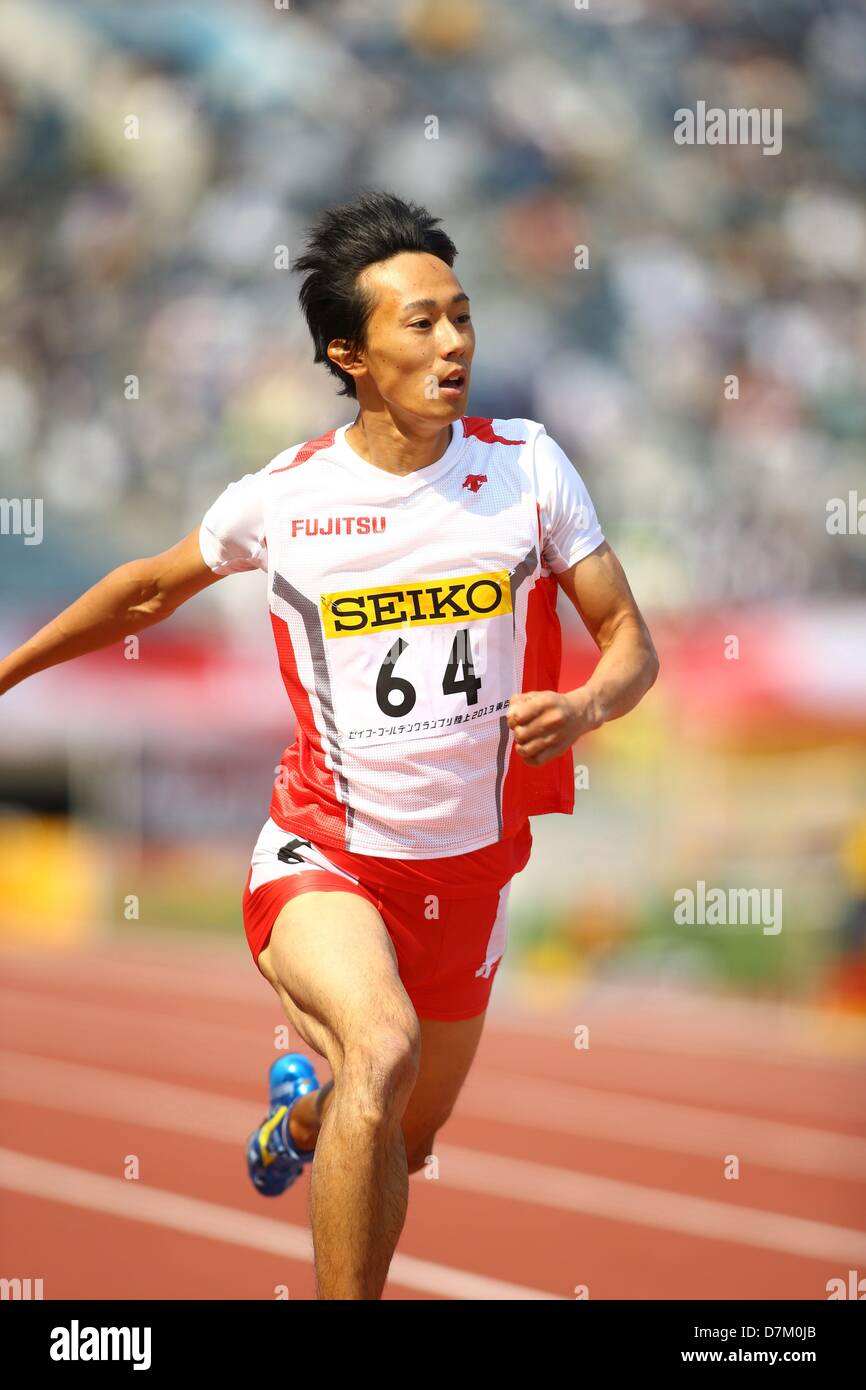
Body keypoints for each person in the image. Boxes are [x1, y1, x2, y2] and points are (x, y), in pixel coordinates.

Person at [0, 188, 659, 1300]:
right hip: (326, 858)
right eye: (421, 323)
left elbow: (629, 641)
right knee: (382, 1049)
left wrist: (588, 706)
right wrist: (8, 671)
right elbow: (148, 589)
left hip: (470, 873)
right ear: (349, 354)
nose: (453, 344)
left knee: (404, 1131)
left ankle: (296, 1118)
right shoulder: (289, 497)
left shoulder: (529, 468)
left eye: (461, 317)